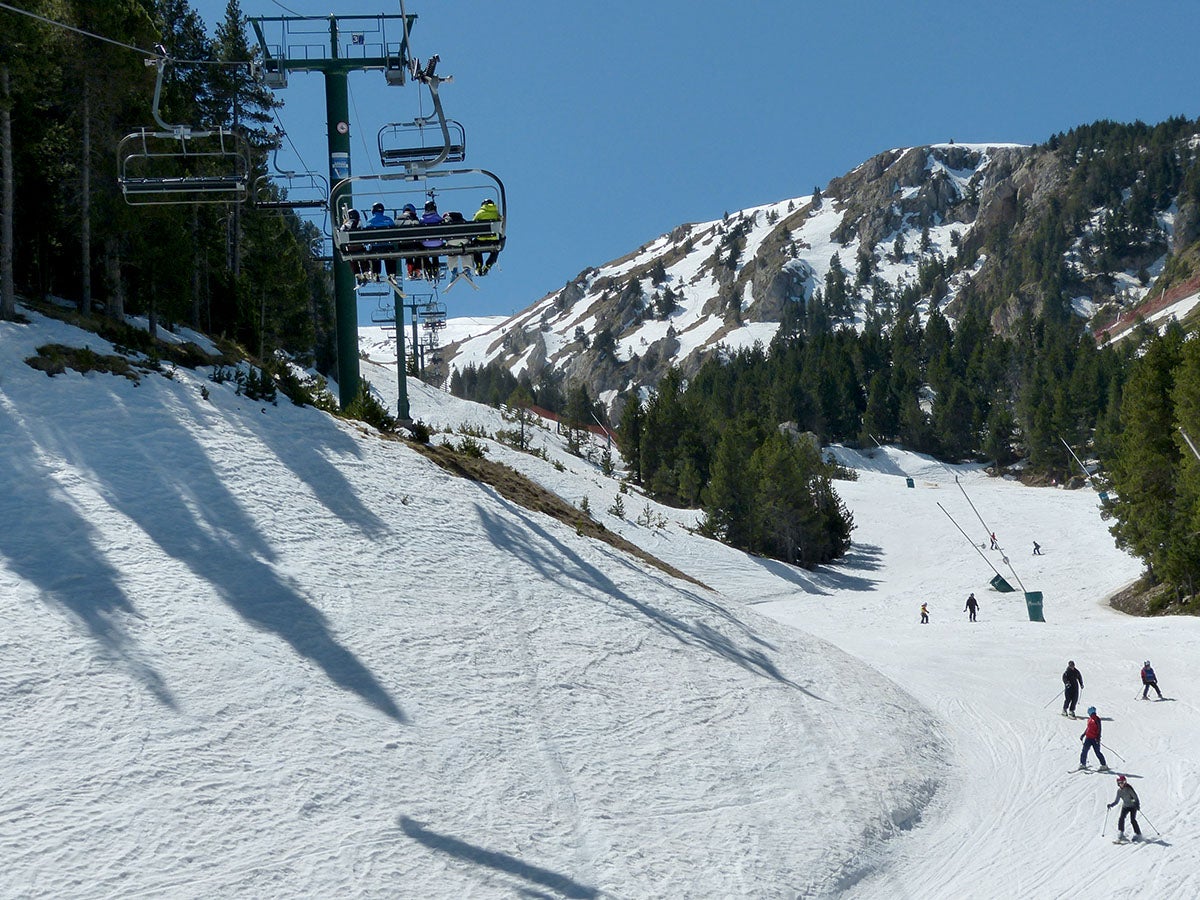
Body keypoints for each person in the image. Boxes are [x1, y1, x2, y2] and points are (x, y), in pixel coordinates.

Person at [366, 202, 399, 283]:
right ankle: (391, 274)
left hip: (375, 247)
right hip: (388, 246)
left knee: (374, 254)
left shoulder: (370, 222)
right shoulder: (389, 220)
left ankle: (376, 273)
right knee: (390, 255)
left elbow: (367, 235)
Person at [1107, 775, 1141, 841]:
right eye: (1119, 783)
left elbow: (1135, 797)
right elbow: (1116, 801)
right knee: (1121, 818)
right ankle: (1121, 832)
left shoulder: (1129, 789)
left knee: (1133, 820)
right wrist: (1111, 805)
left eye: (1122, 782)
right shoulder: (1119, 791)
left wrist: (1137, 804)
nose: (1121, 784)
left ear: (1125, 782)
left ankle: (1138, 833)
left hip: (1133, 807)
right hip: (1125, 806)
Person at [471, 198, 501, 274]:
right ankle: (489, 264)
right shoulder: (496, 213)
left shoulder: (479, 213)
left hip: (480, 240)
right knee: (496, 247)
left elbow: (473, 224)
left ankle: (478, 264)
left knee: (475, 246)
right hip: (492, 239)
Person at [339, 208, 368, 284]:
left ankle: (357, 274)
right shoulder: (359, 223)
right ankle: (365, 271)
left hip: (350, 249)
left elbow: (342, 239)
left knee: (352, 258)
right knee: (363, 256)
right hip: (360, 247)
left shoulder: (345, 226)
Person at [419, 200, 444, 281]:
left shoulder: (422, 219)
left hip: (426, 243)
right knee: (435, 252)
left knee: (424, 252)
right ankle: (435, 268)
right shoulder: (437, 217)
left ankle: (428, 268)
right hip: (438, 242)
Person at [397, 203, 423, 280]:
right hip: (414, 244)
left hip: (403, 245)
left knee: (407, 246)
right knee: (420, 247)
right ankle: (417, 269)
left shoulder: (398, 219)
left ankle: (410, 270)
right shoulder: (414, 219)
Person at [1079, 706, 1108, 770]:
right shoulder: (1089, 719)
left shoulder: (1097, 719)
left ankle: (1104, 765)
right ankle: (1082, 764)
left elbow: (1099, 729)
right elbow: (1088, 728)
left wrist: (1098, 737)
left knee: (1097, 752)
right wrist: (1083, 735)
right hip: (1088, 738)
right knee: (1084, 751)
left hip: (1094, 739)